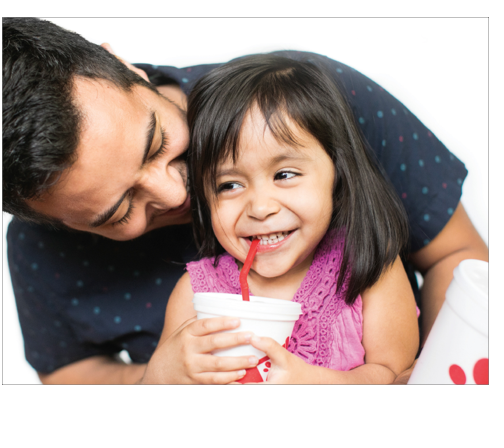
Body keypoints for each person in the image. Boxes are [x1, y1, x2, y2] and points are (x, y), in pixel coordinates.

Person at [3, 18, 488, 384]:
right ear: (55, 221)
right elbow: (70, 373)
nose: (178, 194)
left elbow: (458, 259)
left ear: (125, 68)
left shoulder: (308, 104)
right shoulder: (43, 252)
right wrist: (165, 374)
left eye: (157, 143)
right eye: (119, 210)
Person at [156, 54, 420, 384]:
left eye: (284, 174)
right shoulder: (194, 294)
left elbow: (393, 374)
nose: (260, 208)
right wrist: (164, 374)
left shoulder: (370, 267)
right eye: (230, 185)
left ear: (337, 174)